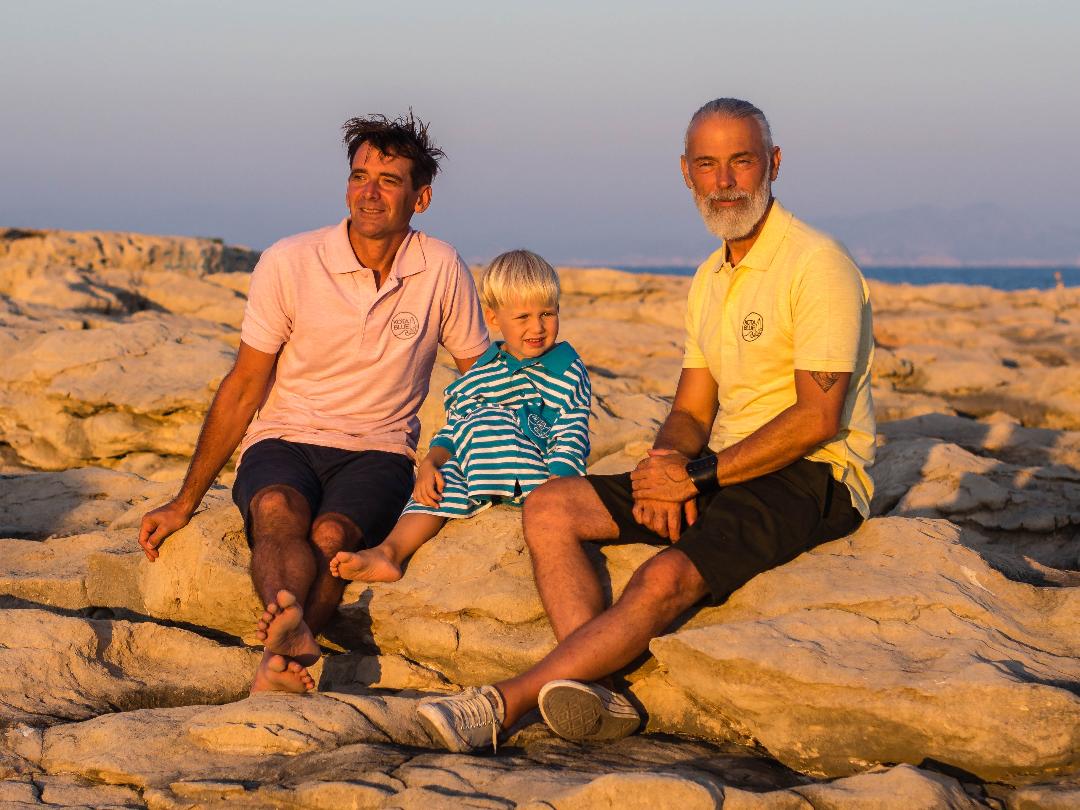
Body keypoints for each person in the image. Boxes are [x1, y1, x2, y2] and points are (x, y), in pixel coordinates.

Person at [416, 98, 876, 753]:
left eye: (741, 162)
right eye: (708, 165)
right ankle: (599, 691)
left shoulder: (814, 262)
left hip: (815, 475)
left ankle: (502, 705)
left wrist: (695, 476)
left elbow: (816, 417)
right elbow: (691, 410)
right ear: (686, 173)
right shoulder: (710, 279)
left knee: (661, 577)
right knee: (551, 506)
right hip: (724, 462)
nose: (724, 182)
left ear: (772, 164)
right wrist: (664, 469)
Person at [137, 113, 490, 693]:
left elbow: (481, 378)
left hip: (378, 449)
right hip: (285, 436)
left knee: (330, 537)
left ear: (420, 197)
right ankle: (291, 635)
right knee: (275, 507)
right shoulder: (291, 261)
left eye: (389, 180)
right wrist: (183, 502)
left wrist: (449, 455)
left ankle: (281, 657)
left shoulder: (440, 268)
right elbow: (246, 383)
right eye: (359, 176)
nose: (368, 193)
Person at [329, 249, 591, 585]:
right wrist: (428, 464)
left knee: (489, 427)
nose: (537, 328)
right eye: (522, 317)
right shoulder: (482, 372)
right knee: (439, 481)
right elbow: (455, 428)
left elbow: (571, 432)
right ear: (494, 319)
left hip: (534, 479)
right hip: (476, 470)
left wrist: (558, 487)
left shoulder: (566, 369)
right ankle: (389, 552)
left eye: (547, 314)